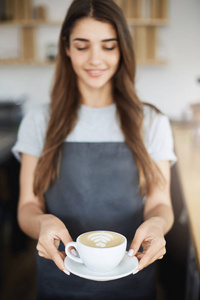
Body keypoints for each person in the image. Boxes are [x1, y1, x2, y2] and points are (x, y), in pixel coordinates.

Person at [12, 0, 177, 299]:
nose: (95, 59)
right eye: (82, 45)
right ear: (66, 48)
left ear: (122, 49)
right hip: (61, 278)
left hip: (133, 278)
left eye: (108, 46)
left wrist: (157, 223)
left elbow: (159, 203)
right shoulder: (40, 121)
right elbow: (27, 207)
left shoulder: (152, 121)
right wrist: (42, 222)